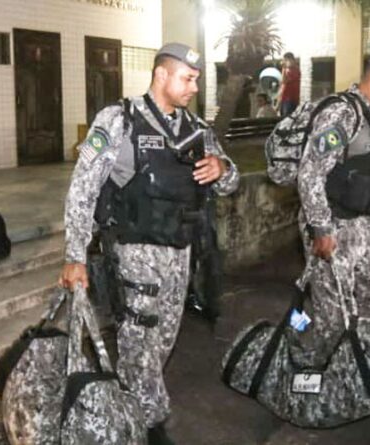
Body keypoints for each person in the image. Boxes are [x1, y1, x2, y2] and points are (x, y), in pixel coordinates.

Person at [59, 42, 239, 445]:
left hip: (180, 254)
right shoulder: (119, 120)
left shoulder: (197, 130)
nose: (194, 86)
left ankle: (131, 410)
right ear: (161, 74)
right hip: (135, 253)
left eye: (196, 79)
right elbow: (83, 188)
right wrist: (75, 255)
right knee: (138, 344)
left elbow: (232, 181)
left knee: (161, 344)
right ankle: (147, 424)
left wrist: (222, 167)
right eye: (187, 78)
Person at [294, 52, 370, 368]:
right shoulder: (341, 114)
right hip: (331, 221)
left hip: (360, 221)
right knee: (332, 314)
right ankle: (312, 370)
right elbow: (310, 173)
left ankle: (352, 355)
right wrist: (321, 229)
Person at [278, 52, 301, 116]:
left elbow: (284, 80)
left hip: (290, 99)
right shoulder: (287, 70)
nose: (285, 62)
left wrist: (284, 68)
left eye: (286, 60)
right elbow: (283, 85)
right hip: (284, 98)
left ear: (291, 60)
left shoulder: (295, 70)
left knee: (287, 118)